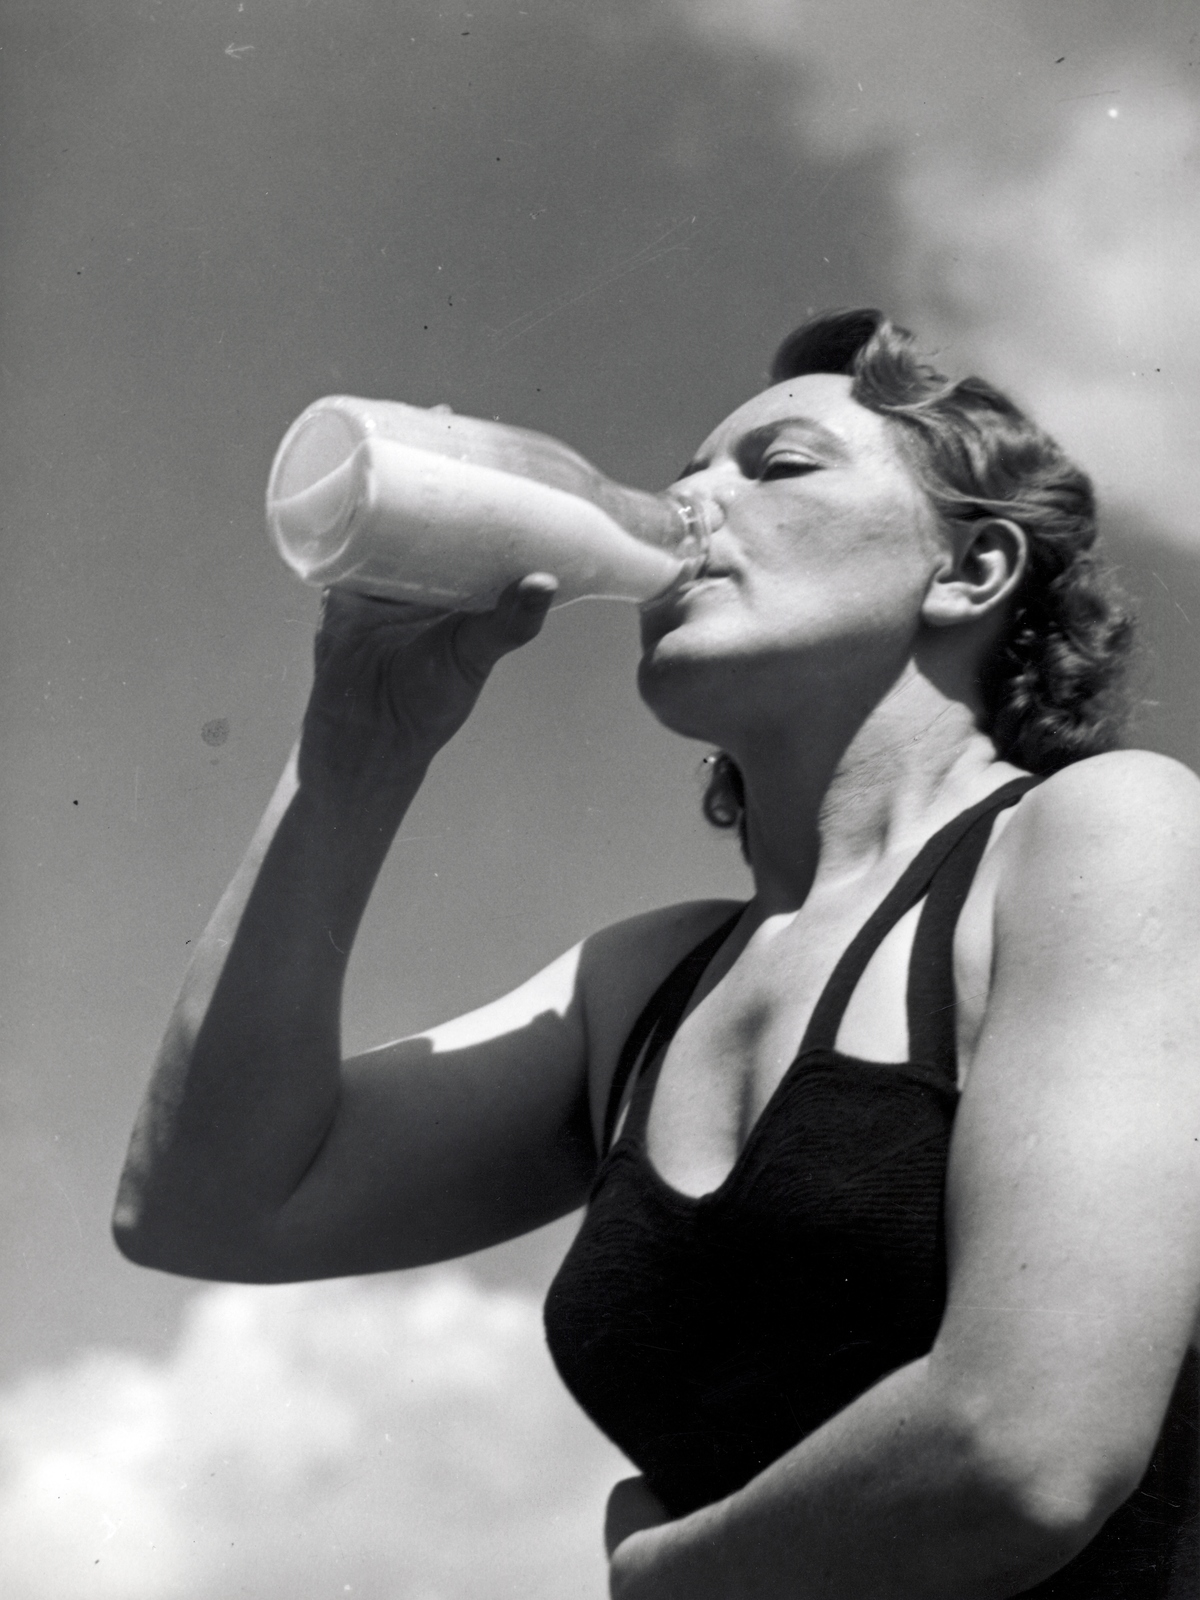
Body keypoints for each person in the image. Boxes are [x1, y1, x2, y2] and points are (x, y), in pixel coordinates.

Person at [114, 309, 1200, 1598]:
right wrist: (357, 746)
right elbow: (208, 1204)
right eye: (689, 469)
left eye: (777, 466)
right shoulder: (640, 991)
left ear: (971, 571)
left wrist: (664, 1583)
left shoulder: (1103, 833)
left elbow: (1027, 1446)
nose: (691, 499)